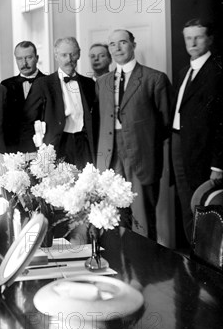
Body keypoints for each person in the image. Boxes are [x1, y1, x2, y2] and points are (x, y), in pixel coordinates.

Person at [95, 29, 171, 240]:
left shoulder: (154, 79)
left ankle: (146, 270)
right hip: (110, 155)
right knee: (111, 217)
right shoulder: (102, 82)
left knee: (142, 218)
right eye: (112, 44)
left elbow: (165, 123)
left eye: (122, 43)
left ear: (133, 45)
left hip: (141, 154)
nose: (117, 48)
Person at [171, 19, 223, 244]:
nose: (192, 42)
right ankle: (192, 260)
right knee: (186, 204)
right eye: (188, 38)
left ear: (209, 39)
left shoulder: (217, 72)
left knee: (202, 206)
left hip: (203, 153)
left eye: (198, 37)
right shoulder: (184, 72)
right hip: (179, 144)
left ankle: (206, 263)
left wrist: (218, 164)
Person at [23, 37, 95, 168]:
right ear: (56, 56)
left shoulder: (89, 84)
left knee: (86, 183)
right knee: (60, 184)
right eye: (64, 55)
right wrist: (36, 149)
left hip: (85, 144)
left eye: (72, 54)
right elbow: (28, 119)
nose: (69, 59)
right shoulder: (43, 84)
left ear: (79, 54)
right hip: (58, 144)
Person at [1, 41, 47, 152]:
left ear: (37, 58)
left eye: (28, 58)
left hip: (42, 147)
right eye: (19, 59)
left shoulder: (49, 83)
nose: (24, 63)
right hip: (14, 148)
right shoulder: (5, 85)